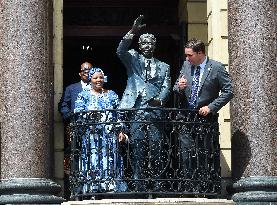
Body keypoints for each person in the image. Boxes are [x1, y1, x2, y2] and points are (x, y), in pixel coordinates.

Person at [116, 15, 171, 191]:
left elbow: (166, 86)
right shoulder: (133, 59)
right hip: (137, 109)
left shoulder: (164, 66)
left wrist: (160, 99)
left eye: (150, 43)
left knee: (156, 147)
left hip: (155, 111)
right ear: (140, 46)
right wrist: (133, 31)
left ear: (154, 46)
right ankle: (138, 182)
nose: (147, 46)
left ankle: (156, 183)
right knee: (137, 148)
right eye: (144, 43)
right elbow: (120, 51)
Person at [173, 38, 233, 179]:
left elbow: (228, 91)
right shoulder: (186, 66)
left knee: (204, 154)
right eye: (186, 55)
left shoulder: (216, 67)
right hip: (186, 118)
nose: (187, 59)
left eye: (190, 55)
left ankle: (204, 186)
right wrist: (179, 87)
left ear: (200, 53)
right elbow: (175, 87)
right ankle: (189, 186)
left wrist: (211, 107)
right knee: (186, 154)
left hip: (204, 118)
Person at [74, 67, 127, 193]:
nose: (98, 80)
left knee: (110, 158)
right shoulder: (84, 95)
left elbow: (119, 114)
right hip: (92, 135)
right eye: (95, 78)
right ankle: (93, 186)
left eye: (101, 77)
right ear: (90, 80)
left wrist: (121, 131)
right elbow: (78, 113)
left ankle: (110, 186)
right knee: (93, 158)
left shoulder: (112, 95)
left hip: (109, 135)